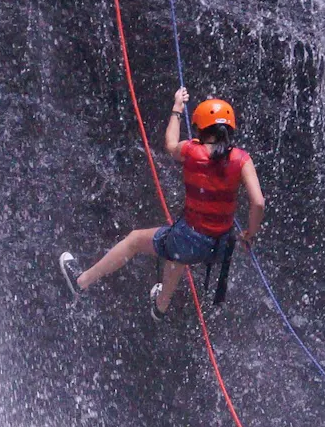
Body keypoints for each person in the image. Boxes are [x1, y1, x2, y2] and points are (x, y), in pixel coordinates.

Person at [59, 87, 266, 320]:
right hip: (219, 248)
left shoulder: (192, 151)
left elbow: (169, 144)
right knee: (176, 250)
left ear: (201, 128)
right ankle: (160, 306)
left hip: (190, 240)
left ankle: (81, 281)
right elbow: (258, 203)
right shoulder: (241, 159)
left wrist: (177, 108)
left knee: (138, 240)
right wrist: (250, 233)